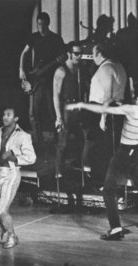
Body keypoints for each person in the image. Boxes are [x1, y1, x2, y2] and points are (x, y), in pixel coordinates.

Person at [66, 87, 138, 240]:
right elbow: (127, 107)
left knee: (108, 190)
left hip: (125, 153)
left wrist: (81, 104)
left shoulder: (131, 109)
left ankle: (115, 229)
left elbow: (103, 109)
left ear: (137, 99)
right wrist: (118, 103)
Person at [0, 106, 36, 249]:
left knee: (2, 210)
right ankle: (0, 227)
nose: (5, 117)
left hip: (12, 174)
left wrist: (14, 157)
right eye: (4, 114)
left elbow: (31, 158)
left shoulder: (23, 136)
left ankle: (12, 235)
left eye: (9, 115)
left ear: (16, 118)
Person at [52, 41, 91, 210]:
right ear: (69, 53)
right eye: (76, 53)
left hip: (79, 106)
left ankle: (84, 170)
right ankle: (58, 172)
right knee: (63, 142)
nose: (79, 56)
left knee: (85, 139)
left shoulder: (81, 70)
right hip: (66, 107)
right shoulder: (61, 71)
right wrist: (59, 117)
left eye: (80, 53)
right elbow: (56, 95)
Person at [19, 12, 65, 144]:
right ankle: (38, 141)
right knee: (32, 113)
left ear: (48, 24)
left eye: (44, 24)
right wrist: (21, 69)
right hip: (36, 80)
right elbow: (24, 53)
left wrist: (59, 62)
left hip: (51, 81)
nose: (41, 27)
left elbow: (63, 58)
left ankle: (58, 141)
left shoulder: (56, 39)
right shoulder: (34, 37)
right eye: (39, 24)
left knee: (53, 112)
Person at [88, 41, 127, 187]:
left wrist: (102, 118)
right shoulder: (118, 65)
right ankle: (109, 181)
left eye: (93, 53)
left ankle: (100, 182)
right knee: (110, 147)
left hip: (104, 110)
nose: (92, 56)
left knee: (101, 149)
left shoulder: (106, 68)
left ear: (99, 53)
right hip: (115, 110)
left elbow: (108, 95)